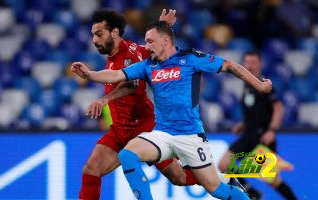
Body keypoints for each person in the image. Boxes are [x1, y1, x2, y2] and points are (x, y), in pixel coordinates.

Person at [71, 21, 273, 200]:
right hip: (163, 134)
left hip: (190, 136)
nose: (146, 46)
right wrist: (89, 74)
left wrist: (259, 85)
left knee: (216, 189)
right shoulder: (148, 66)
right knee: (127, 155)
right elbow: (116, 75)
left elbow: (229, 65)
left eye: (150, 41)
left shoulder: (191, 59)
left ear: (165, 41)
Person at [77, 9, 205, 200]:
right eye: (93, 35)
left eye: (99, 34)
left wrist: (104, 100)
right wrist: (163, 26)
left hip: (144, 128)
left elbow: (132, 85)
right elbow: (153, 51)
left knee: (178, 177)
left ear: (114, 33)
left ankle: (222, 180)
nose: (94, 40)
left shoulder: (128, 55)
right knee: (91, 169)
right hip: (120, 130)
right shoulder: (127, 53)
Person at [218, 51, 297, 200]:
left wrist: (272, 130)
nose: (250, 65)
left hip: (262, 138)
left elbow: (279, 108)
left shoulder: (264, 84)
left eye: (253, 62)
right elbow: (256, 110)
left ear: (260, 64)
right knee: (224, 165)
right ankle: (252, 194)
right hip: (247, 136)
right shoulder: (246, 84)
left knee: (272, 180)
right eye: (247, 62)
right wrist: (242, 124)